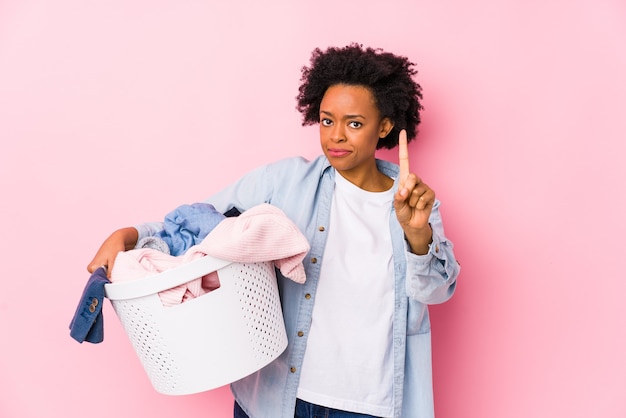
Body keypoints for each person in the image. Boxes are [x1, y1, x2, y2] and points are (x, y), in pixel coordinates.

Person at [87, 43, 460, 418]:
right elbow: (197, 221)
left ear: (384, 125)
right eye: (328, 120)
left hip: (370, 405)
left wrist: (417, 234)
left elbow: (438, 292)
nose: (336, 136)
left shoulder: (416, 203)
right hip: (279, 397)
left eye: (355, 123)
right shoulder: (284, 181)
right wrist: (129, 234)